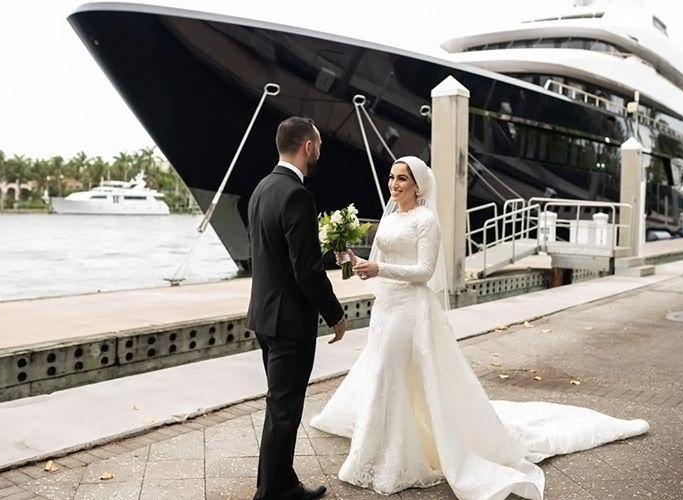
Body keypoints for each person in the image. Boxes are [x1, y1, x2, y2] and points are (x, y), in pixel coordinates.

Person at [311, 156, 649, 499]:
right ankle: (381, 449)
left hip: (409, 310)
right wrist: (350, 260)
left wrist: (380, 269)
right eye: (391, 177)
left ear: (417, 185)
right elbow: (377, 261)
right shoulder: (391, 217)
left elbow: (424, 272)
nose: (394, 184)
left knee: (388, 373)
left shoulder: (426, 221)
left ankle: (392, 458)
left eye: (401, 179)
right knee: (388, 374)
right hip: (385, 308)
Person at [247, 116, 347, 500]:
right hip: (289, 322)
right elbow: (304, 270)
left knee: (280, 406)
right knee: (284, 410)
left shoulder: (262, 188)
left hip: (264, 316)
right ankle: (271, 494)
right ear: (308, 146)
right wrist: (335, 314)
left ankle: (284, 483)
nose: (319, 151)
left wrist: (327, 253)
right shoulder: (296, 194)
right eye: (318, 145)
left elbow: (279, 255)